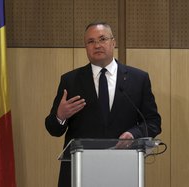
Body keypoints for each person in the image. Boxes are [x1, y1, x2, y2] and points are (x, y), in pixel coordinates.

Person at [45, 22, 161, 187]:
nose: (97, 45)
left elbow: (153, 122)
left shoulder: (138, 79)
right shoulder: (70, 81)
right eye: (91, 41)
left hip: (123, 168)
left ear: (113, 42)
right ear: (85, 47)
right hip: (80, 171)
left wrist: (134, 133)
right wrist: (60, 116)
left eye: (102, 39)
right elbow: (53, 129)